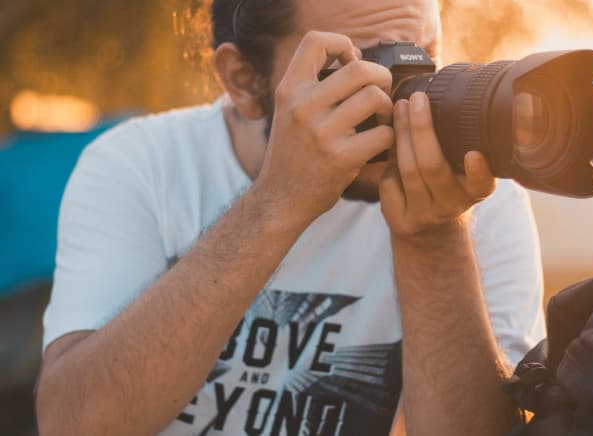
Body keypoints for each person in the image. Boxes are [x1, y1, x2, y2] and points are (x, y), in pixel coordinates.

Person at [35, 0, 545, 435]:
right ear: (243, 79)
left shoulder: (480, 200)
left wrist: (434, 239)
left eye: (423, 58)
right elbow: (72, 422)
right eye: (357, 67)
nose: (402, 96)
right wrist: (277, 202)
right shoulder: (142, 165)